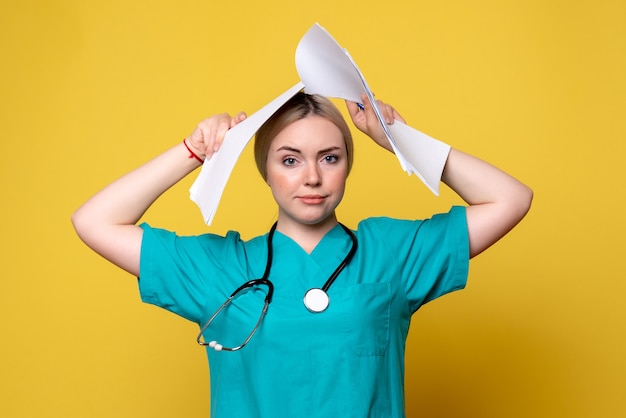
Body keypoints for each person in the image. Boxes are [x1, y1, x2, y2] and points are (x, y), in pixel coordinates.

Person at [72, 91, 532, 417]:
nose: (312, 177)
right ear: (264, 171)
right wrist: (195, 150)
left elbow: (510, 199)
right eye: (289, 160)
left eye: (329, 158)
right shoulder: (220, 269)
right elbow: (95, 222)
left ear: (347, 166)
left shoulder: (390, 254)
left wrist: (402, 141)